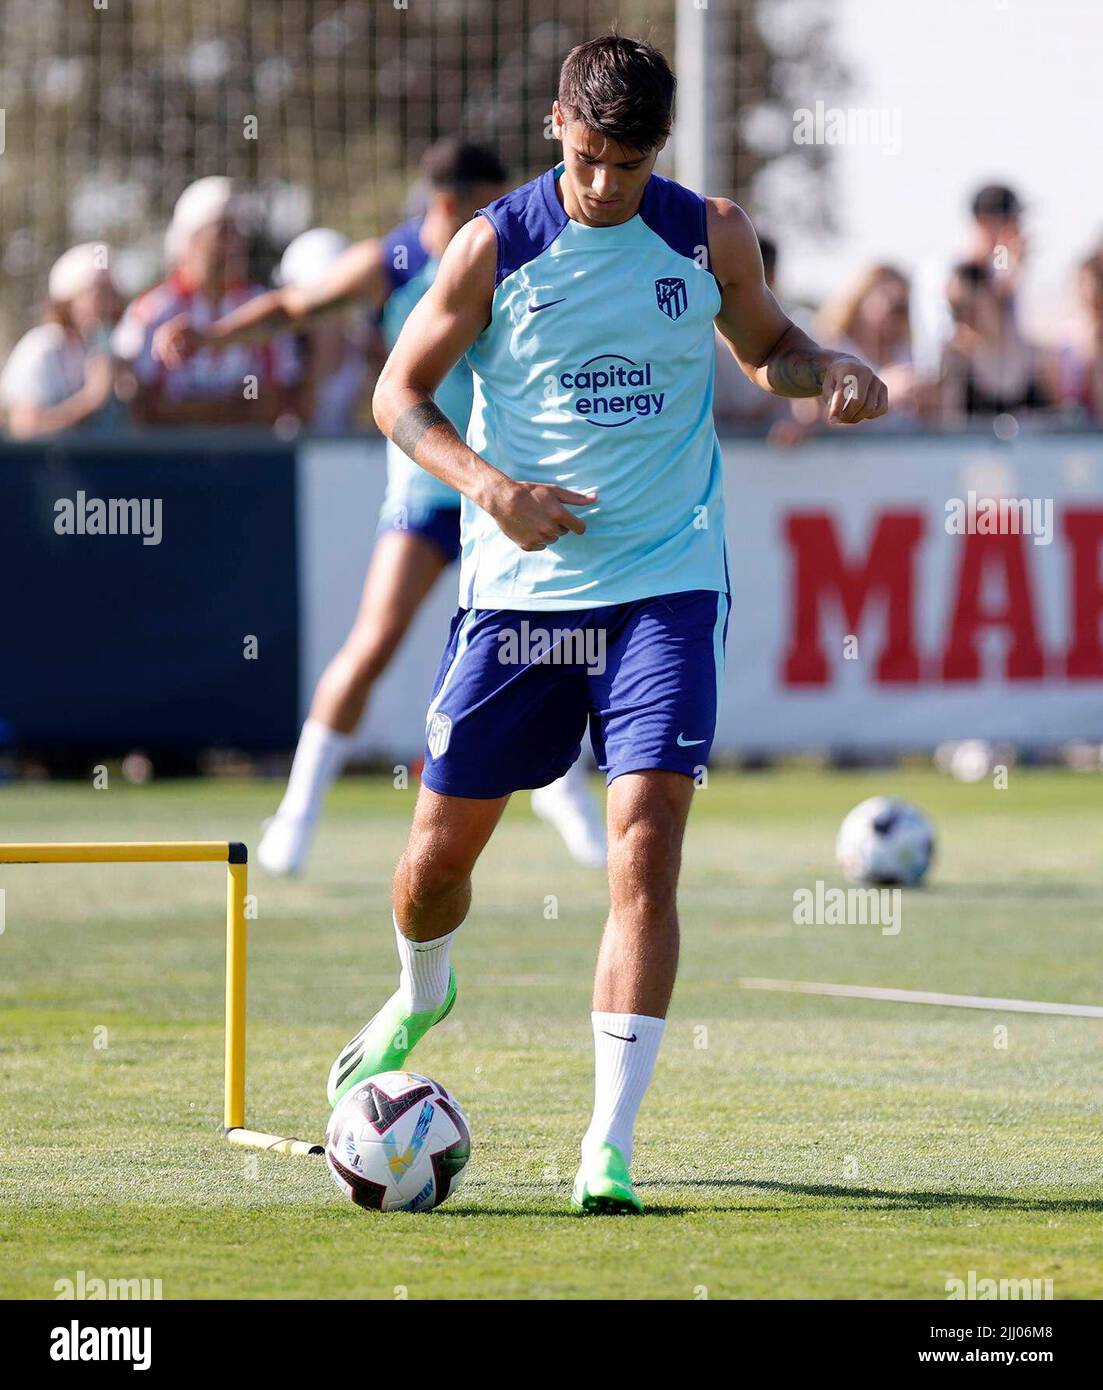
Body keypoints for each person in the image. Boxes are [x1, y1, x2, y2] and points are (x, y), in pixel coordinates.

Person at [351, 34, 887, 1214]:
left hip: (666, 583)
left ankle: (608, 1144)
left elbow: (768, 352)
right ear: (557, 127)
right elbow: (396, 393)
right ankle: (421, 988)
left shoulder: (708, 234)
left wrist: (832, 367)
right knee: (433, 867)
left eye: (628, 166)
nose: (603, 187)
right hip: (518, 602)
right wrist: (489, 487)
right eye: (588, 159)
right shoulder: (493, 243)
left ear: (659, 154)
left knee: (643, 845)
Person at [153, 139, 607, 873]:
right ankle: (295, 815)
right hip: (430, 490)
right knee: (372, 644)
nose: (505, 214)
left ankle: (564, 792)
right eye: (488, 202)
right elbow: (294, 305)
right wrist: (211, 334)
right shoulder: (391, 263)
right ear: (448, 204)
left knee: (560, 644)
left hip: (510, 490)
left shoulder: (519, 251)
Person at [113, 176, 300, 428]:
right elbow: (143, 407)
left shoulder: (261, 307)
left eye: (238, 232)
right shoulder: (152, 311)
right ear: (190, 240)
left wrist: (196, 410)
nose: (235, 244)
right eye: (223, 232)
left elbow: (274, 401)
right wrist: (230, 409)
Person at [0, 243, 124, 438]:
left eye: (111, 293)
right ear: (69, 300)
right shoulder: (42, 347)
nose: (108, 304)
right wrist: (91, 398)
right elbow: (24, 429)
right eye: (99, 293)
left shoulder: (102, 349)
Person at [941, 260, 1051, 419]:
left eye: (969, 307)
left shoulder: (1034, 358)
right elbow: (951, 427)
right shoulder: (956, 362)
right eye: (956, 311)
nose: (964, 318)